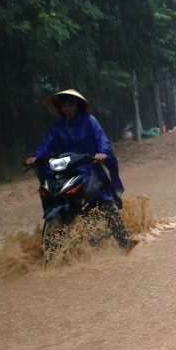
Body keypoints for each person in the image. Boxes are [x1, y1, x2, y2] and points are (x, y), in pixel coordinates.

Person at [25, 89, 137, 252]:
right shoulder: (57, 128)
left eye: (70, 105)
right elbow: (46, 145)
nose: (67, 109)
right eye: (64, 106)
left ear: (77, 106)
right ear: (60, 108)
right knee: (51, 194)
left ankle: (124, 240)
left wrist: (102, 154)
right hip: (65, 172)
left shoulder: (90, 121)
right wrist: (35, 157)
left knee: (105, 200)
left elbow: (102, 140)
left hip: (88, 170)